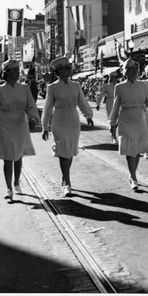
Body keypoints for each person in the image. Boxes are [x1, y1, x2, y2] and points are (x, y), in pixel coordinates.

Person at [0, 60, 40, 200]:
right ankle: (8, 188)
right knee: (8, 157)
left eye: (17, 69)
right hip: (5, 125)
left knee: (18, 155)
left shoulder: (24, 88)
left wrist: (33, 119)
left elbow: (31, 106)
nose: (16, 72)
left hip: (21, 123)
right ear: (7, 72)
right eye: (13, 70)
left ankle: (16, 182)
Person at [41, 57, 94, 197]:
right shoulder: (52, 87)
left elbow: (82, 102)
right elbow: (47, 108)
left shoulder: (76, 86)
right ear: (59, 71)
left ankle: (65, 177)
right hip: (59, 120)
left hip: (73, 120)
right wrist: (45, 126)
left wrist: (88, 115)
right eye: (66, 68)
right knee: (63, 150)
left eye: (69, 68)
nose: (69, 70)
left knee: (69, 151)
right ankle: (67, 183)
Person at [108, 58, 148, 190]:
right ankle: (133, 176)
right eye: (130, 70)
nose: (133, 72)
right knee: (130, 149)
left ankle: (132, 174)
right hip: (125, 119)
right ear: (125, 72)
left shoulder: (142, 86)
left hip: (140, 119)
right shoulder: (119, 87)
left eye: (135, 70)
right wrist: (112, 123)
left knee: (136, 150)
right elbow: (115, 106)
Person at [96, 71, 119, 143]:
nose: (116, 78)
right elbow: (101, 95)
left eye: (116, 77)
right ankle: (114, 136)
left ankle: (113, 132)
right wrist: (98, 104)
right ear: (111, 77)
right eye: (115, 77)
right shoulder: (106, 86)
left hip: (117, 104)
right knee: (112, 120)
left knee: (117, 121)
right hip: (109, 103)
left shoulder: (119, 85)